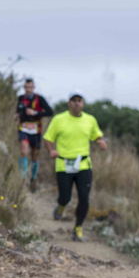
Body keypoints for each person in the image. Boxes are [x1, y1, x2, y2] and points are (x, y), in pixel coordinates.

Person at [43, 91, 107, 242]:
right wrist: (51, 150)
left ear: (83, 104)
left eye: (79, 100)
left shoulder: (90, 120)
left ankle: (78, 228)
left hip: (83, 164)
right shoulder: (59, 119)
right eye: (73, 101)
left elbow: (96, 135)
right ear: (68, 103)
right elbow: (48, 138)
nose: (76, 103)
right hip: (63, 164)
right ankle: (60, 207)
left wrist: (100, 141)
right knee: (65, 197)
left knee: (84, 198)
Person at [14, 78, 53, 192]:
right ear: (24, 88)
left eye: (30, 87)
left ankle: (33, 179)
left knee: (34, 156)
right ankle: (21, 179)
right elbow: (19, 109)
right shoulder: (21, 98)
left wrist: (35, 113)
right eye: (26, 88)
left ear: (33, 87)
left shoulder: (39, 99)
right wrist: (16, 115)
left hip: (36, 131)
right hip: (23, 129)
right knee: (23, 152)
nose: (28, 90)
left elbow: (50, 112)